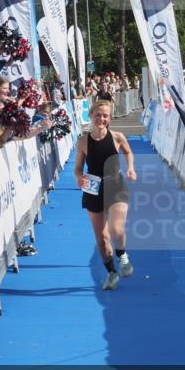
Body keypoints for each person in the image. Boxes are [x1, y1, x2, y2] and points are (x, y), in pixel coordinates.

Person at [75, 99, 137, 290]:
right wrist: (79, 178)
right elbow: (78, 168)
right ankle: (111, 273)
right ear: (91, 116)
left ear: (110, 118)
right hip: (93, 189)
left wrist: (131, 168)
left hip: (116, 185)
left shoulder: (117, 137)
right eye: (98, 115)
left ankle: (123, 256)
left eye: (105, 115)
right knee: (101, 238)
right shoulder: (83, 141)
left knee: (116, 230)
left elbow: (128, 152)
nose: (101, 118)